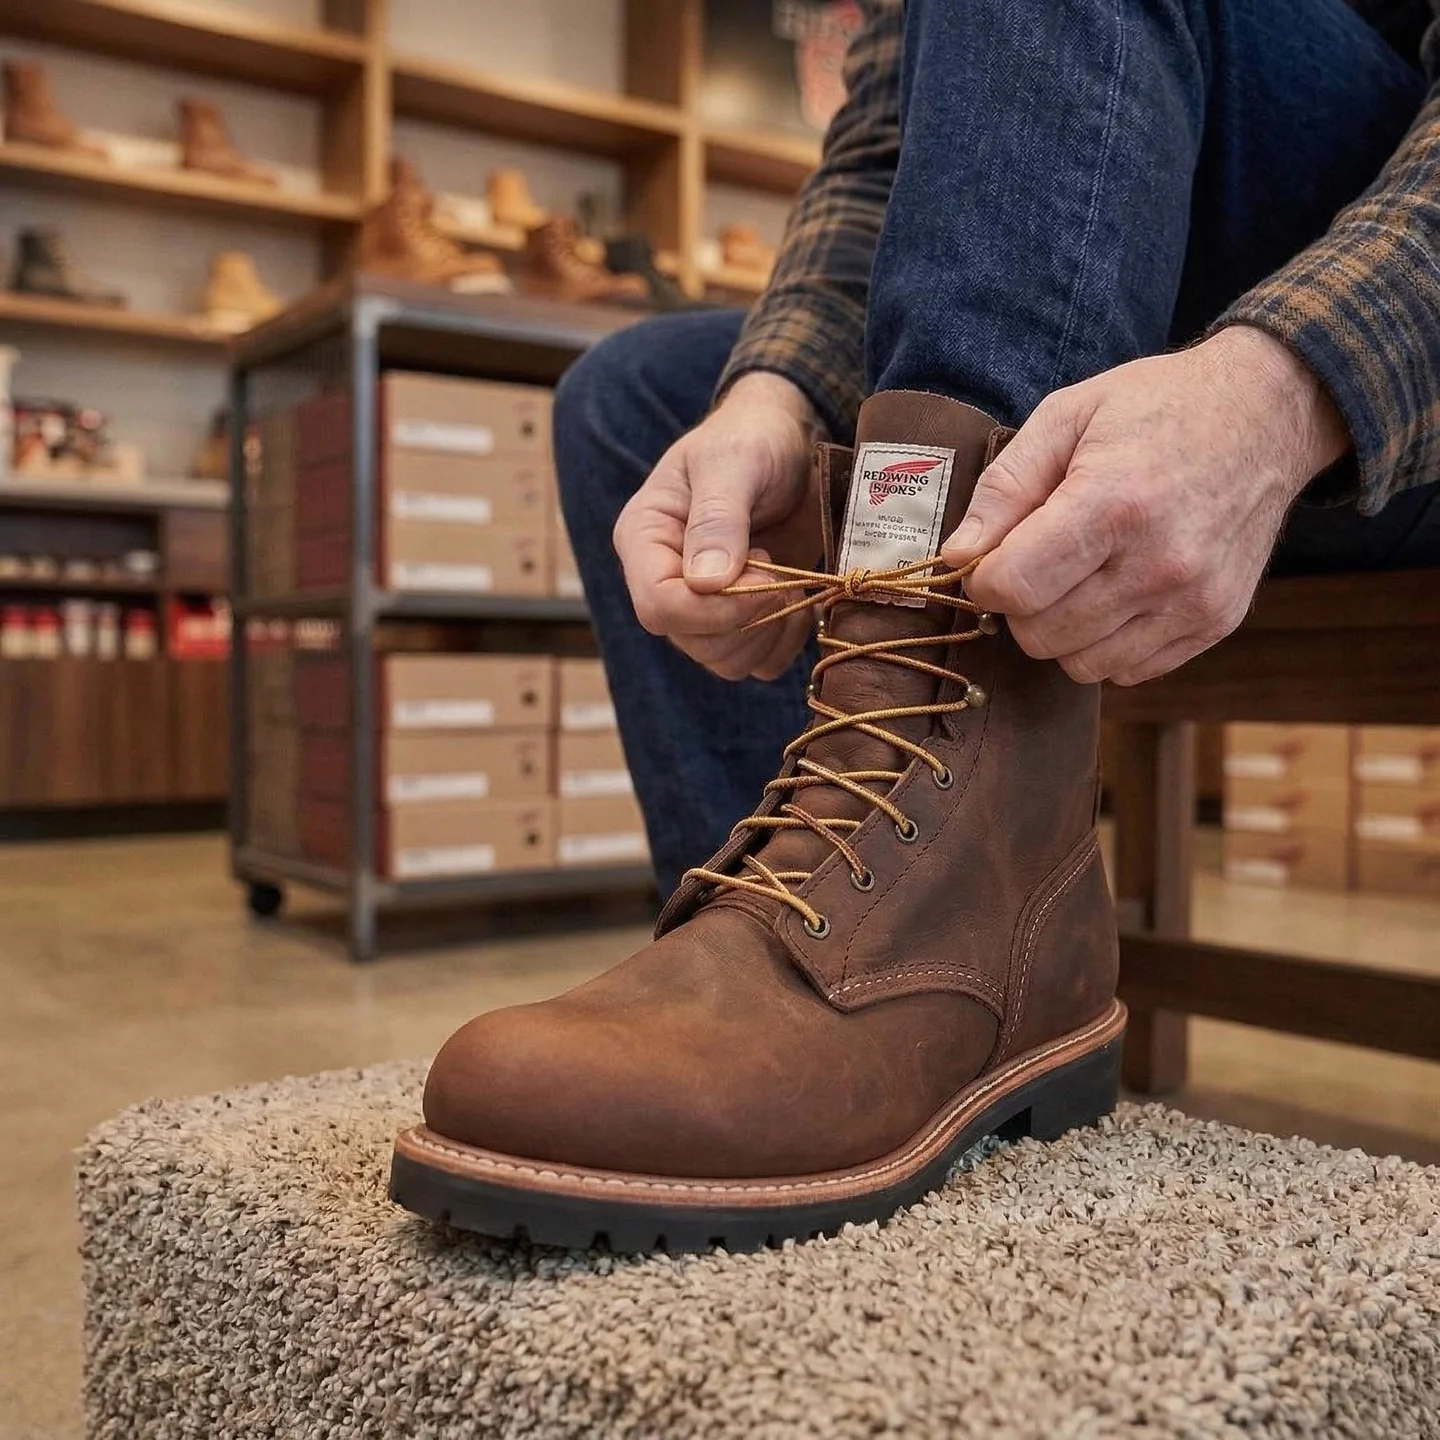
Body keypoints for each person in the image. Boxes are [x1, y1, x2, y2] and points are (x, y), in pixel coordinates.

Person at [390, 0, 1440, 1252]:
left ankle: (915, 951)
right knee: (637, 399)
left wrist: (1285, 389)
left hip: (1393, 382)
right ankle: (797, 937)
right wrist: (775, 397)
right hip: (1119, 306)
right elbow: (896, 144)